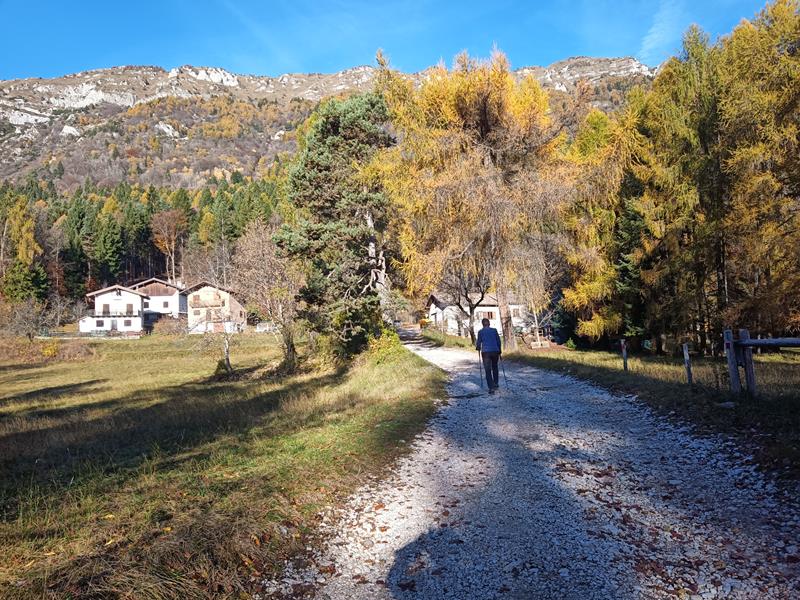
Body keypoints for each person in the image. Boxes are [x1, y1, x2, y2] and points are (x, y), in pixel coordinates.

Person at [476, 318, 502, 392]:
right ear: (489, 323)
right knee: (495, 367)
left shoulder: (480, 332)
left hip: (486, 352)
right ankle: (496, 383)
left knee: (487, 370)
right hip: (495, 351)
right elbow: (498, 341)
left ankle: (491, 387)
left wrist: (478, 348)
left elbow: (478, 342)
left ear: (482, 324)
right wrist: (499, 350)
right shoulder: (494, 330)